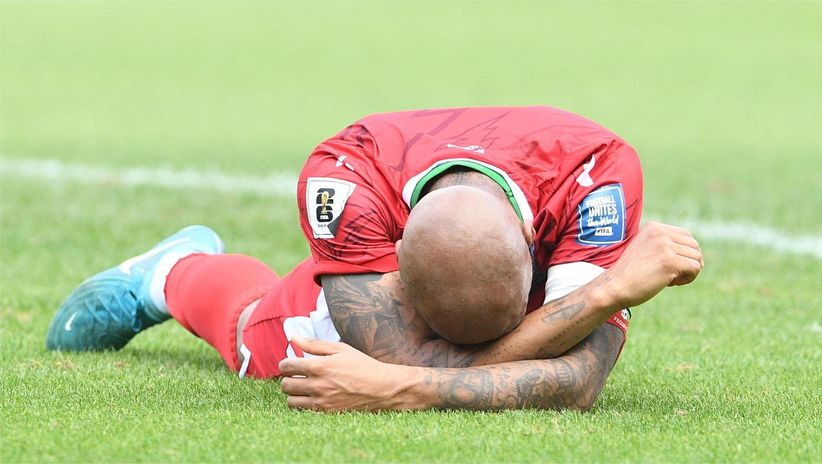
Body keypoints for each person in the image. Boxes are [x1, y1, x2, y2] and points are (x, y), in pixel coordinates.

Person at [46, 106, 703, 411]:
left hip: (518, 280)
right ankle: (169, 272)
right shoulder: (345, 174)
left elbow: (581, 381)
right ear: (400, 273)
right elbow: (394, 356)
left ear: (536, 265)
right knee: (260, 342)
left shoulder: (593, 173)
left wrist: (407, 389)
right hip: (361, 282)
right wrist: (602, 296)